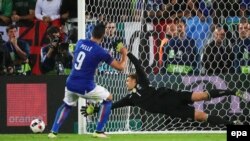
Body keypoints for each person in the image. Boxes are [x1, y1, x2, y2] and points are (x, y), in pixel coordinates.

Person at [81, 52, 246, 127]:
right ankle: (234, 126)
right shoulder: (131, 99)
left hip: (173, 96)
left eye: (127, 80)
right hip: (172, 110)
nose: (126, 83)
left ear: (134, 80)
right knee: (203, 116)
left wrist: (127, 53)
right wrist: (95, 109)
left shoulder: (143, 83)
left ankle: (233, 92)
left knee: (203, 95)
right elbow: (112, 106)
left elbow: (138, 65)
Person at [48, 23, 128, 138]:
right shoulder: (100, 51)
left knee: (67, 104)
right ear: (103, 35)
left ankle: (53, 132)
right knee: (109, 98)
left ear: (92, 33)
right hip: (85, 86)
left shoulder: (80, 42)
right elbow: (120, 67)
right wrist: (124, 53)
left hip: (70, 82)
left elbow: (82, 57)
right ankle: (99, 131)